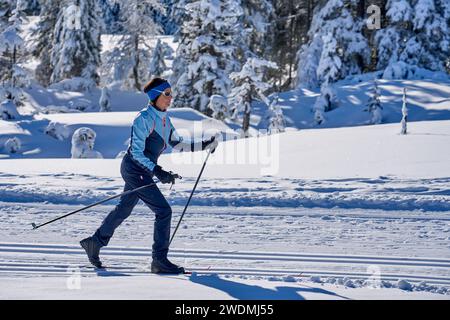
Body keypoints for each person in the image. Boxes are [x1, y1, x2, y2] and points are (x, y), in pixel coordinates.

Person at [80, 77, 218, 274]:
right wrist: (158, 171)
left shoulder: (164, 120)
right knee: (164, 211)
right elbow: (136, 153)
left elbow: (178, 144)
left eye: (171, 93)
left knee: (123, 209)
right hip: (134, 168)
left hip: (144, 170)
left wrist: (204, 144)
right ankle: (159, 260)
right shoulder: (143, 118)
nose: (171, 98)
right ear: (156, 96)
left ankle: (94, 243)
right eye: (167, 94)